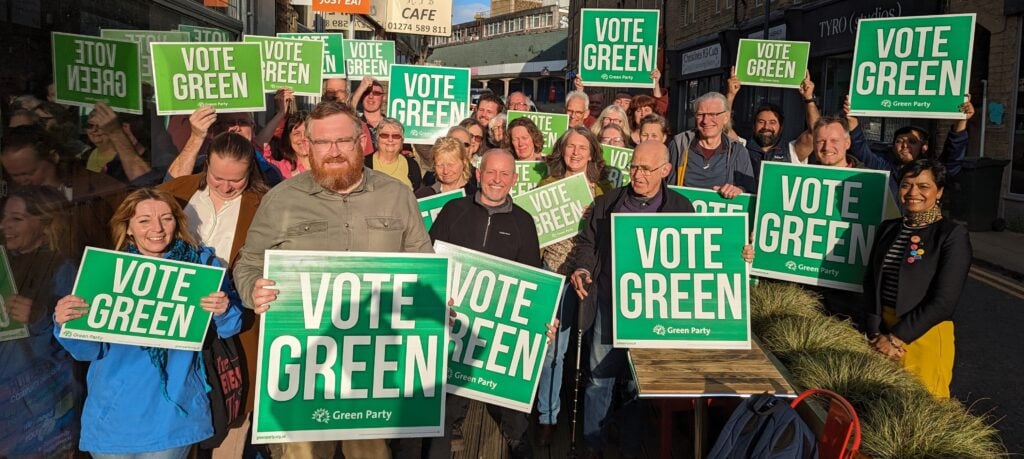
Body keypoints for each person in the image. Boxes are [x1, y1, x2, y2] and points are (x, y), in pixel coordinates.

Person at [233, 100, 431, 459]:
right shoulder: (281, 200)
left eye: (343, 141)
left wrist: (435, 301)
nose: (334, 152)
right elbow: (248, 263)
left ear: (362, 142)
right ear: (307, 145)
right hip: (304, 373)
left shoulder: (397, 195)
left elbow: (423, 266)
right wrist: (252, 290)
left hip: (373, 371)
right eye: (323, 143)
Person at [569, 141, 754, 457]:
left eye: (646, 169)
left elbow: (698, 256)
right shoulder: (608, 202)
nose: (637, 175)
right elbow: (587, 244)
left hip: (651, 314)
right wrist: (583, 268)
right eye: (634, 167)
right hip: (609, 306)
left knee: (636, 386)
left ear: (666, 171)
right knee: (599, 382)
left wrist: (738, 254)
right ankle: (591, 446)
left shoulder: (682, 207)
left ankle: (631, 446)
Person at [53, 188, 242, 458]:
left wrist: (223, 309)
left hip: (173, 413)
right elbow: (87, 351)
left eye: (166, 218)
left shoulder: (200, 266)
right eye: (144, 221)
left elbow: (229, 328)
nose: (157, 228)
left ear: (177, 222)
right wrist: (65, 322)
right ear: (128, 228)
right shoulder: (107, 271)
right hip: (114, 417)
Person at [427, 149, 542, 458]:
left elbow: (533, 278)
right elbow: (430, 260)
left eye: (505, 174)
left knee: (513, 407)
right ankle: (447, 432)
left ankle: (518, 442)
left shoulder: (524, 222)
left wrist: (545, 319)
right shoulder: (454, 210)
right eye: (491, 172)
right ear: (478, 173)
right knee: (444, 406)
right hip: (452, 323)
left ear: (514, 180)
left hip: (500, 328)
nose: (497, 180)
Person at [158, 132, 267, 457]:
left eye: (237, 179)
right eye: (218, 177)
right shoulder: (175, 194)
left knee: (228, 423)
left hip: (232, 332)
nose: (225, 186)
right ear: (207, 164)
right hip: (173, 327)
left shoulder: (264, 204)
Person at [864, 159, 971, 399]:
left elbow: (944, 301)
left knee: (922, 409)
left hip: (924, 335)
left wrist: (896, 337)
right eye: (906, 185)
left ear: (939, 191)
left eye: (923, 186)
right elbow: (871, 281)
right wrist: (875, 332)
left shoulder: (951, 235)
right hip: (882, 333)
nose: (913, 193)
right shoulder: (888, 228)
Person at [534, 127, 609, 446]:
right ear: (561, 151)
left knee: (593, 352)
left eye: (582, 147)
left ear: (592, 153)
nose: (576, 152)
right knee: (553, 350)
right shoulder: (546, 184)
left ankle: (594, 424)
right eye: (570, 147)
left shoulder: (603, 191)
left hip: (589, 278)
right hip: (552, 273)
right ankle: (547, 415)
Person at [0, 186, 80, 457]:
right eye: (4, 218)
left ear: (45, 225)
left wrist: (40, 317)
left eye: (16, 219)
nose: (4, 226)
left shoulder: (62, 268)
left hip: (39, 402)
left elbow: (77, 340)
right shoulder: (5, 261)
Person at [1, 125, 126, 258]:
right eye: (15, 175)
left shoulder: (100, 190)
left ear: (54, 157)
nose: (23, 181)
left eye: (29, 173)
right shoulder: (11, 199)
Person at [844, 95, 975, 200]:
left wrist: (961, 121)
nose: (904, 145)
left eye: (912, 142)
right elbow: (860, 149)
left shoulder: (933, 170)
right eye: (899, 141)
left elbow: (953, 158)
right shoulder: (883, 167)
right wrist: (852, 120)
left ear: (924, 147)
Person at [726, 68, 819, 175]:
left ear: (781, 126)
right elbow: (723, 127)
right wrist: (730, 95)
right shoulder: (741, 147)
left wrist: (809, 98)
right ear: (754, 125)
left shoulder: (792, 151)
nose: (766, 126)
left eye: (772, 122)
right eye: (761, 121)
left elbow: (816, 131)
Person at [666, 92, 755, 196]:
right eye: (700, 115)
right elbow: (667, 188)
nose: (705, 121)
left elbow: (749, 191)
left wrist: (739, 190)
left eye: (713, 114)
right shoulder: (679, 145)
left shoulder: (738, 151)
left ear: (726, 117)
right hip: (684, 210)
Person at [83, 102, 153, 183]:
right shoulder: (91, 155)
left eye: (101, 126)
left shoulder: (121, 161)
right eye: (89, 126)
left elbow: (146, 184)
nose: (94, 130)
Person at [365, 117, 421, 189]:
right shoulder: (363, 164)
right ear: (377, 138)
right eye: (385, 135)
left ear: (402, 141)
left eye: (396, 136)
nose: (390, 139)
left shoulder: (412, 165)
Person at [264, 110, 310, 179]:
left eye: (307, 133)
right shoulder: (281, 168)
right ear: (288, 139)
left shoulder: (326, 164)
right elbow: (259, 149)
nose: (303, 138)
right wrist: (280, 113)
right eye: (297, 134)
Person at [351, 77, 387, 149]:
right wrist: (361, 88)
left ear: (384, 97)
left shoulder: (392, 125)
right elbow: (348, 112)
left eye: (376, 93)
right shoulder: (355, 123)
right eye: (366, 93)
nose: (371, 96)